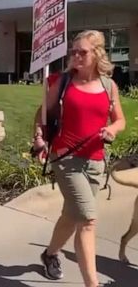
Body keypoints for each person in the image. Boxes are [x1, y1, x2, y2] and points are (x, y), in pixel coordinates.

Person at [33, 30, 125, 287]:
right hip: (66, 158)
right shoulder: (62, 83)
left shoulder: (109, 85)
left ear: (96, 54)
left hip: (95, 161)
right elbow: (43, 114)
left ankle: (50, 254)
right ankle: (91, 284)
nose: (76, 56)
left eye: (82, 52)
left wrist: (112, 130)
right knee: (87, 220)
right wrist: (38, 138)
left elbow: (120, 120)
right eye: (73, 51)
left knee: (71, 216)